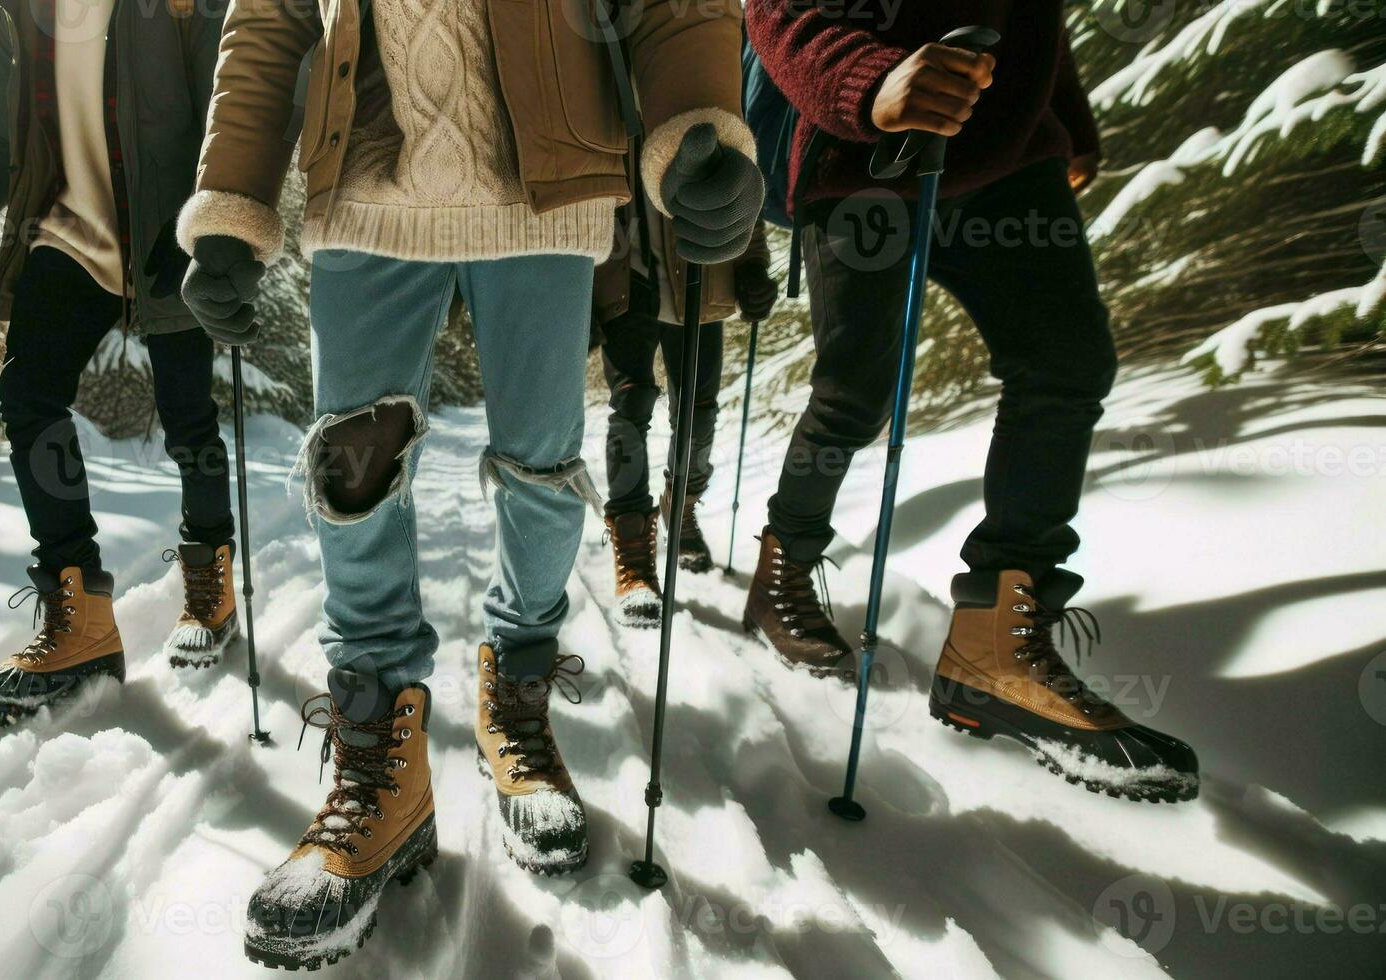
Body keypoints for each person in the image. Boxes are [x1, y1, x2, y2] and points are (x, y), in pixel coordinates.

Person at [177, 0, 765, 967]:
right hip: (363, 184)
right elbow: (267, 22)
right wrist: (232, 206)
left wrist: (697, 129)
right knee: (352, 469)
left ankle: (515, 701)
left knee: (541, 467)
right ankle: (381, 763)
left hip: (544, 183)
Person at [747, 2, 1198, 801]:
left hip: (1010, 156)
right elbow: (778, 9)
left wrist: (1066, 121)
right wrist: (868, 83)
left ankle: (993, 647)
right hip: (861, 159)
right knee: (855, 390)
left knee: (1064, 364)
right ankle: (783, 564)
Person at [0, 0, 235, 724]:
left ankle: (209, 580)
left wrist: (208, 215)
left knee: (186, 413)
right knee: (29, 394)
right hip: (69, 230)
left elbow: (229, 116)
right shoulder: (19, 13)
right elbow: (1, 137)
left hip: (167, 230)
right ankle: (81, 613)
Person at [595, 181, 777, 626]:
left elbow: (739, 185)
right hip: (623, 278)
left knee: (698, 413)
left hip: (700, 275)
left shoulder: (707, 109)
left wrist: (752, 265)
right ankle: (635, 556)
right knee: (631, 406)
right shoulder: (606, 108)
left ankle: (682, 510)